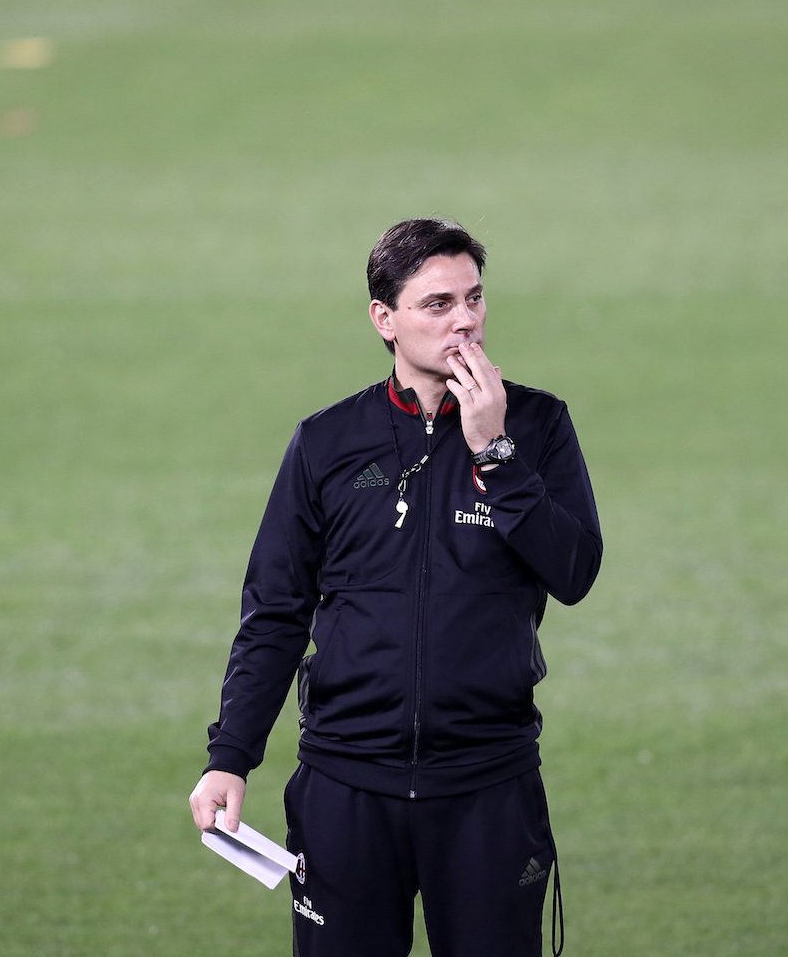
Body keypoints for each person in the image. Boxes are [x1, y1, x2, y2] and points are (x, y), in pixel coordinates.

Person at [190, 218, 603, 957]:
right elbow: (276, 612)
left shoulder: (536, 425)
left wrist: (496, 452)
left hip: (487, 787)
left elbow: (573, 574)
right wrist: (230, 754)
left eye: (474, 299)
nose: (465, 320)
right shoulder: (325, 442)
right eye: (437, 304)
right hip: (344, 790)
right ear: (385, 319)